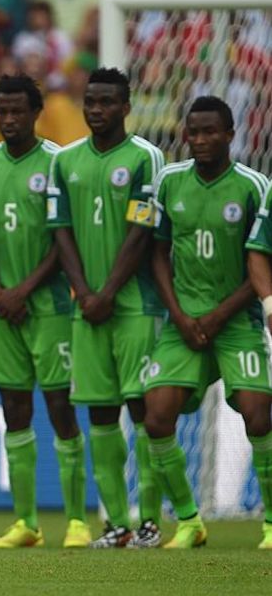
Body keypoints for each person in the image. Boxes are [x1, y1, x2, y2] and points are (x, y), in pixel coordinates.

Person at [0, 75, 89, 549]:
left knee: (59, 407)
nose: (10, 120)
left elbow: (65, 238)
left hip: (51, 306)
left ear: (37, 113)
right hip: (2, 309)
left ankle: (77, 520)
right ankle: (26, 522)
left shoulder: (59, 162)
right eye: (3, 112)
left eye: (19, 111)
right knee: (14, 409)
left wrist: (24, 290)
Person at [46, 68, 165, 548]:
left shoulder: (146, 157)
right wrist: (84, 292)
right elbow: (61, 230)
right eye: (90, 101)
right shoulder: (66, 160)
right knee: (99, 414)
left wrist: (110, 291)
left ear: (125, 107)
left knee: (144, 413)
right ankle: (117, 524)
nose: (96, 109)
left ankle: (151, 521)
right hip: (87, 309)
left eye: (107, 102)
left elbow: (141, 232)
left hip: (134, 305)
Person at [148, 96, 272, 549]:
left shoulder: (254, 185)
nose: (200, 140)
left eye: (210, 132)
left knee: (258, 415)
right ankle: (188, 521)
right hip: (184, 322)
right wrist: (179, 314)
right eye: (193, 132)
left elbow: (259, 260)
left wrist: (220, 314)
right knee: (156, 415)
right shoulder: (168, 182)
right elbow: (156, 252)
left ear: (230, 134)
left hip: (236, 321)